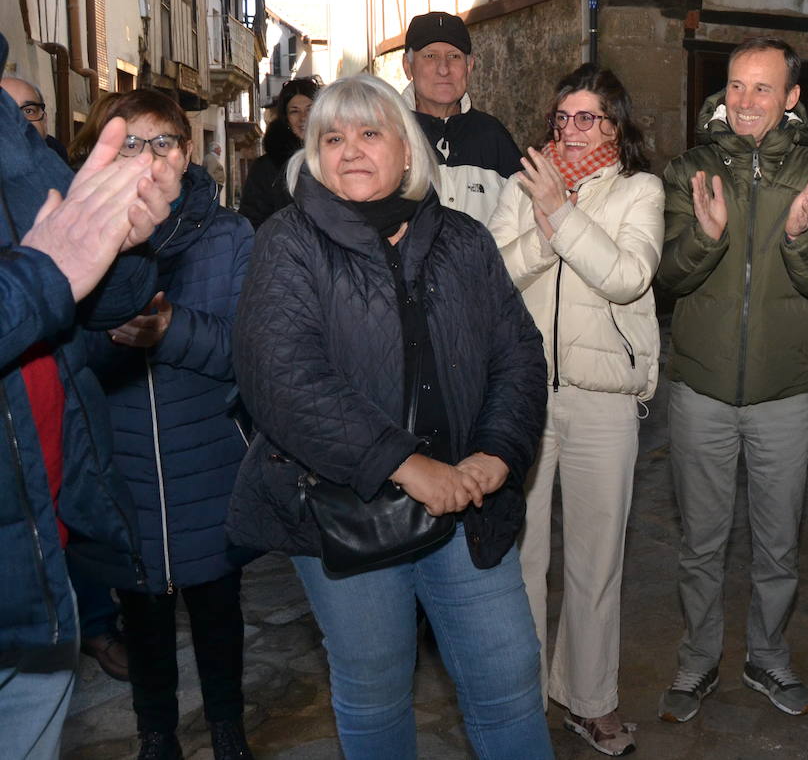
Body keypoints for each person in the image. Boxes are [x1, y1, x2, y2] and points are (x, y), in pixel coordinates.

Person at [226, 73, 552, 760]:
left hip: (466, 507)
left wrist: (498, 452)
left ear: (408, 150)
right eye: (331, 137)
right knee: (374, 695)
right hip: (346, 514)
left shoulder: (462, 239)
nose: (350, 150)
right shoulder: (289, 243)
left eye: (370, 132)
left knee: (509, 680)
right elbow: (282, 381)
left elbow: (517, 355)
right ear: (311, 154)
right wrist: (406, 465)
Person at [657, 37, 808, 722]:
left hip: (784, 393)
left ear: (791, 97)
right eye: (737, 86)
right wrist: (705, 235)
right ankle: (697, 659)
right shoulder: (690, 170)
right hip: (701, 389)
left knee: (777, 545)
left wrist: (802, 237)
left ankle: (768, 658)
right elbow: (669, 278)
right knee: (701, 543)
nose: (745, 101)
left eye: (763, 88)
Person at [0, 32, 177, 760]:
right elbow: (49, 278)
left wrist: (127, 244)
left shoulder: (11, 135)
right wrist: (51, 274)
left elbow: (91, 298)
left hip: (37, 536)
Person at [488, 63, 663, 757]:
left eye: (586, 117)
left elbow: (627, 276)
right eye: (562, 118)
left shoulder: (640, 189)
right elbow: (495, 273)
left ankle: (591, 703)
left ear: (614, 124)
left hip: (603, 398)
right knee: (520, 559)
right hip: (523, 395)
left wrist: (560, 213)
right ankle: (522, 699)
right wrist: (547, 216)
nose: (570, 129)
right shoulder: (523, 183)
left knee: (597, 561)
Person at [80, 90, 257, 760]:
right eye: (131, 142)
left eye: (163, 143)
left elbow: (248, 350)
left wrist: (171, 330)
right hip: (119, 461)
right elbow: (72, 357)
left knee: (218, 610)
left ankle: (227, 727)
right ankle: (155, 735)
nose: (149, 158)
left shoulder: (231, 236)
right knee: (143, 617)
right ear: (103, 155)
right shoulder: (80, 235)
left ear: (188, 153)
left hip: (207, 455)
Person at [401, 11, 521, 224]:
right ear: (408, 66)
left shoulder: (493, 137)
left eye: (454, 56)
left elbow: (525, 219)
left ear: (470, 65)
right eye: (430, 56)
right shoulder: (389, 135)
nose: (444, 69)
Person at [239, 77, 320, 229]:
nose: (303, 118)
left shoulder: (338, 158)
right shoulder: (265, 169)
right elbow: (252, 222)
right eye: (294, 111)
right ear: (286, 119)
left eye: (310, 109)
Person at [2, 75, 68, 162]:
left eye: (28, 111)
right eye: (4, 112)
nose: (18, 121)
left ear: (44, 121)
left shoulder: (59, 160)